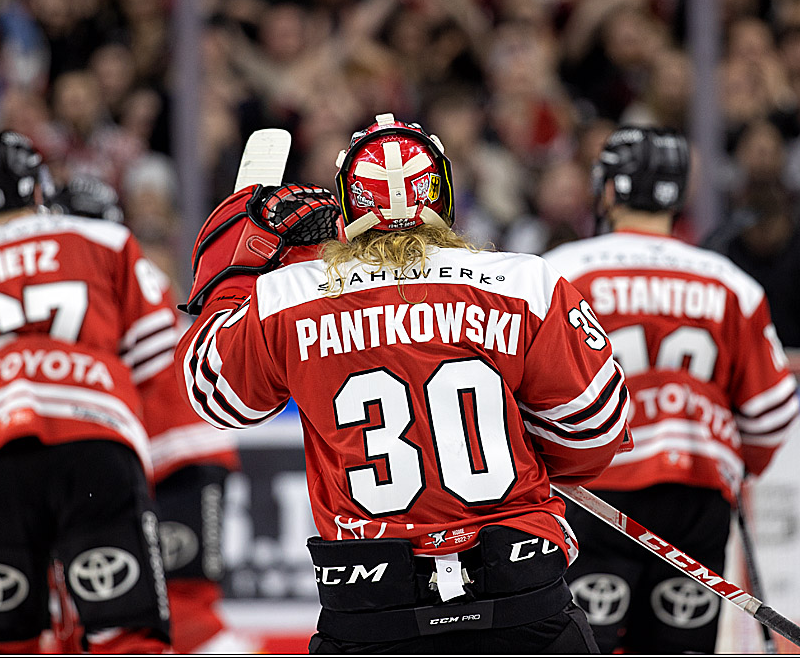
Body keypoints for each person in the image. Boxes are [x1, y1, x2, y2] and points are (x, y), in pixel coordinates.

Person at [174, 113, 634, 654]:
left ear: (346, 204)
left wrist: (237, 271)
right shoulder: (524, 281)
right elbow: (596, 433)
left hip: (372, 606)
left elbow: (216, 396)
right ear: (442, 195)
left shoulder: (289, 296)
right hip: (520, 589)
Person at [0, 104, 172, 654]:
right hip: (95, 446)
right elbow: (153, 348)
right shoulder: (103, 241)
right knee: (126, 630)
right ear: (37, 184)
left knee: (3, 641)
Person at [543, 126, 800, 654]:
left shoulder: (559, 272)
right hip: (697, 499)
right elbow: (772, 413)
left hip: (593, 497)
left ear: (610, 189)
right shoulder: (731, 282)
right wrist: (735, 470)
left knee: (585, 643)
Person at [46, 174, 244, 653]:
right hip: (170, 455)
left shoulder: (98, 274)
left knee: (175, 607)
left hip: (169, 458)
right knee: (137, 603)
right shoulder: (122, 268)